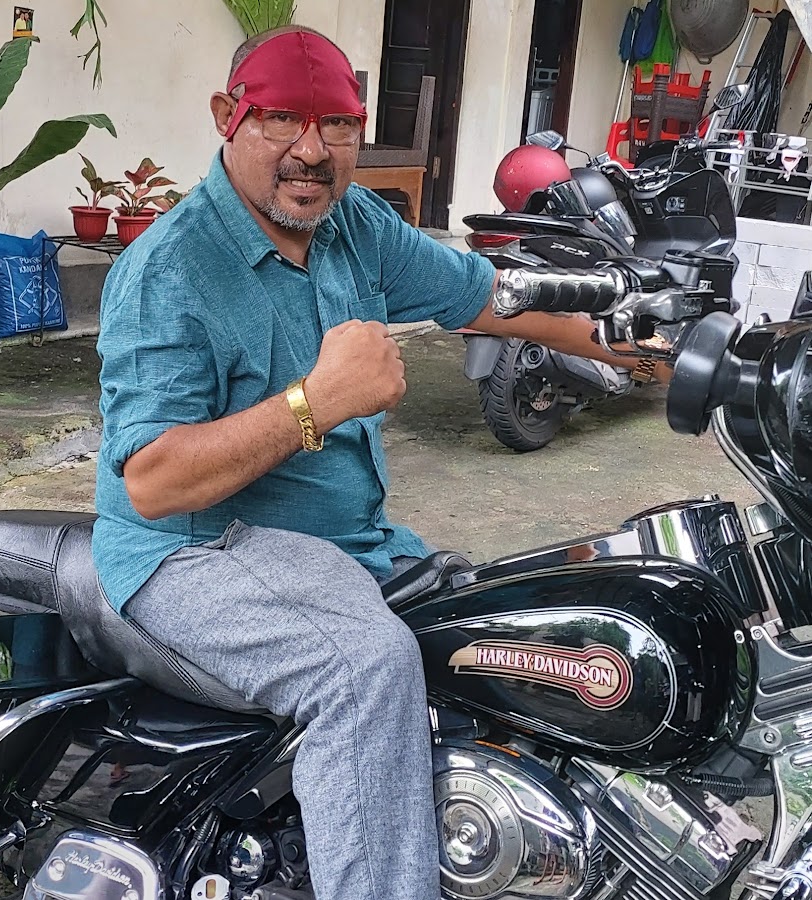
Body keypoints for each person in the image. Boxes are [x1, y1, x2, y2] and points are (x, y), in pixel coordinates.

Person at [93, 25, 666, 900]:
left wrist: (647, 349)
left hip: (344, 544)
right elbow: (155, 480)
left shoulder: (351, 223)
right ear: (226, 116)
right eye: (281, 119)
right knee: (364, 670)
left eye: (337, 125)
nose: (311, 150)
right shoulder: (168, 268)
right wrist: (316, 402)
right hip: (194, 551)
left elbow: (486, 297)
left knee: (505, 625)